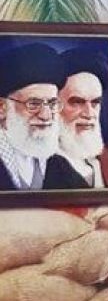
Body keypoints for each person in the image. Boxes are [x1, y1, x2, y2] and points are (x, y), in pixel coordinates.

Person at [0, 43, 70, 191]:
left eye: (52, 103)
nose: (46, 115)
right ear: (2, 108)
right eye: (33, 104)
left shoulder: (60, 166)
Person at [44, 47, 108, 189]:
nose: (89, 114)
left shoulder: (107, 160)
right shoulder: (40, 167)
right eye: (77, 102)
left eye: (95, 103)